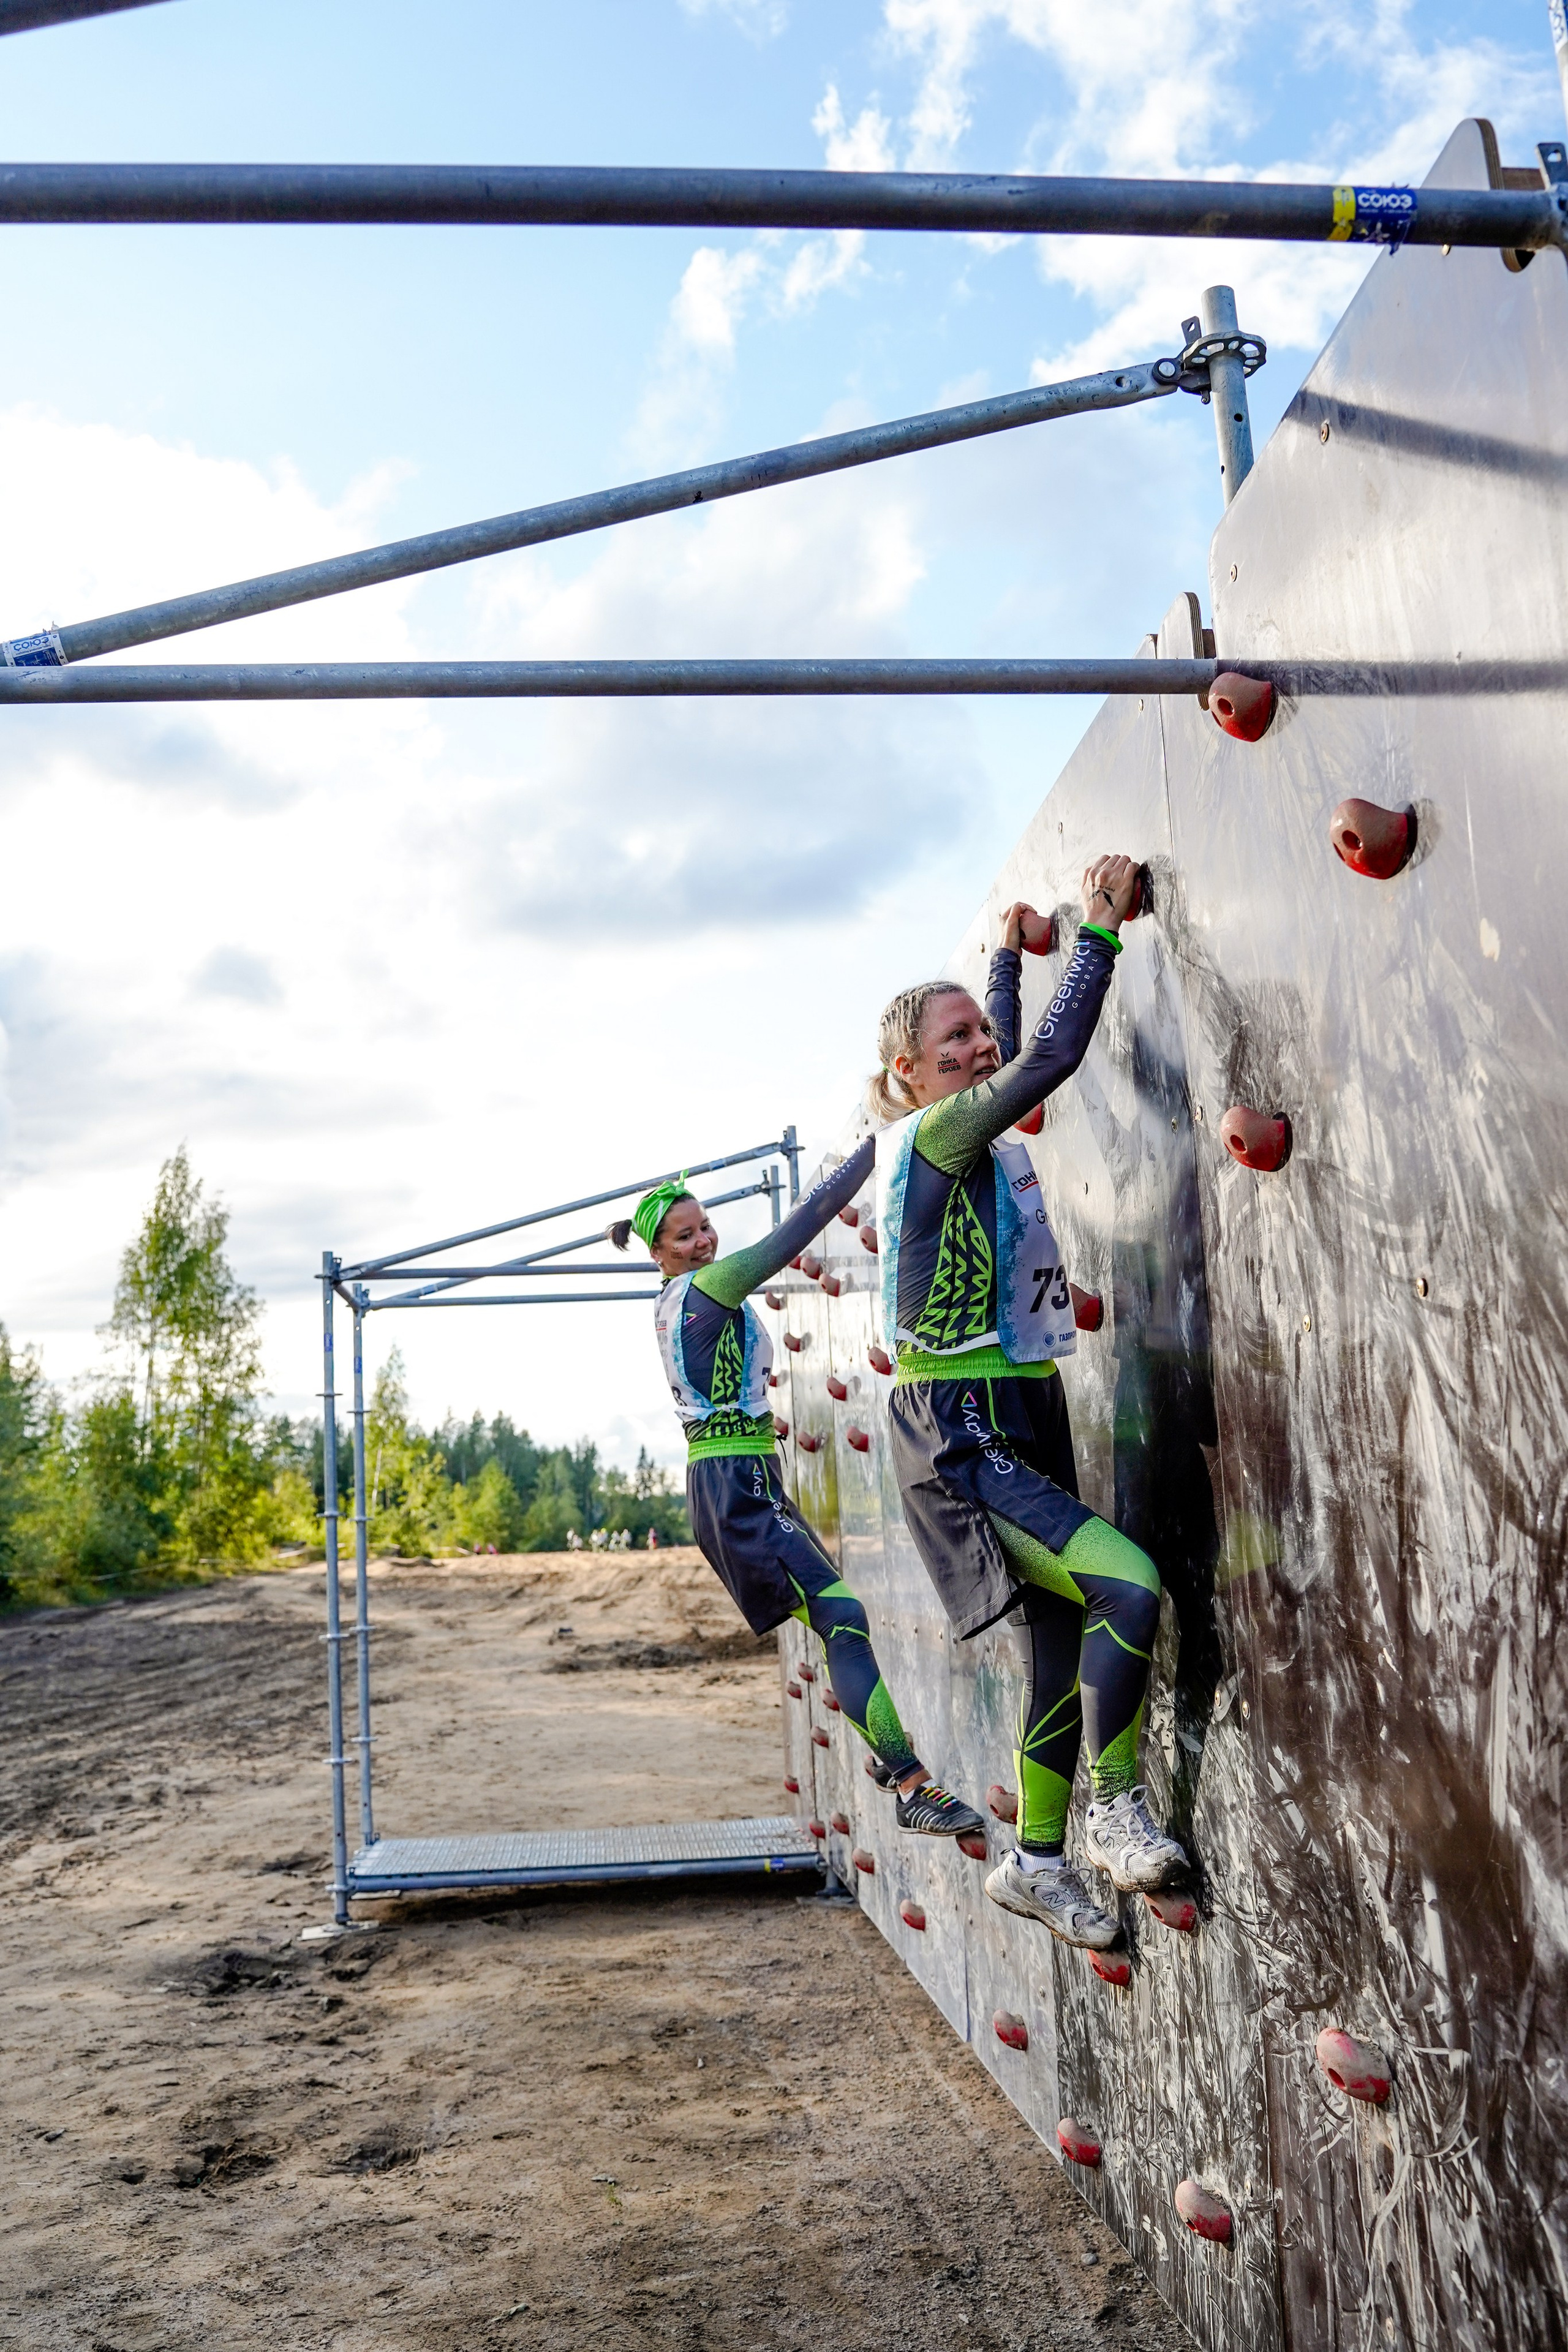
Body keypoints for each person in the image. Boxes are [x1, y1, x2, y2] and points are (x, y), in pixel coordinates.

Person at [869, 856, 1185, 1950]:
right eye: (948, 1044)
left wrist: (1005, 959)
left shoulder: (976, 1136)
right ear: (908, 1074)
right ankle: (1114, 1807)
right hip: (960, 1428)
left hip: (1023, 1409)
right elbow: (1048, 1055)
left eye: (975, 1034)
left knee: (1061, 1643)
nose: (974, 1050)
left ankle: (1037, 1861)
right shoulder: (936, 1136)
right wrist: (1097, 927)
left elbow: (1009, 1054)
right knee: (1129, 1588)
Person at [609, 1163, 984, 1839]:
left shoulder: (677, 1298)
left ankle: (889, 1752)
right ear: (659, 1254)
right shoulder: (705, 1288)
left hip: (741, 1476)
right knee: (841, 1616)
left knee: (838, 1619)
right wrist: (873, 1155)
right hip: (735, 1483)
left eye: (705, 1228)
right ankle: (910, 1784)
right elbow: (796, 1230)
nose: (704, 1241)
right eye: (685, 1236)